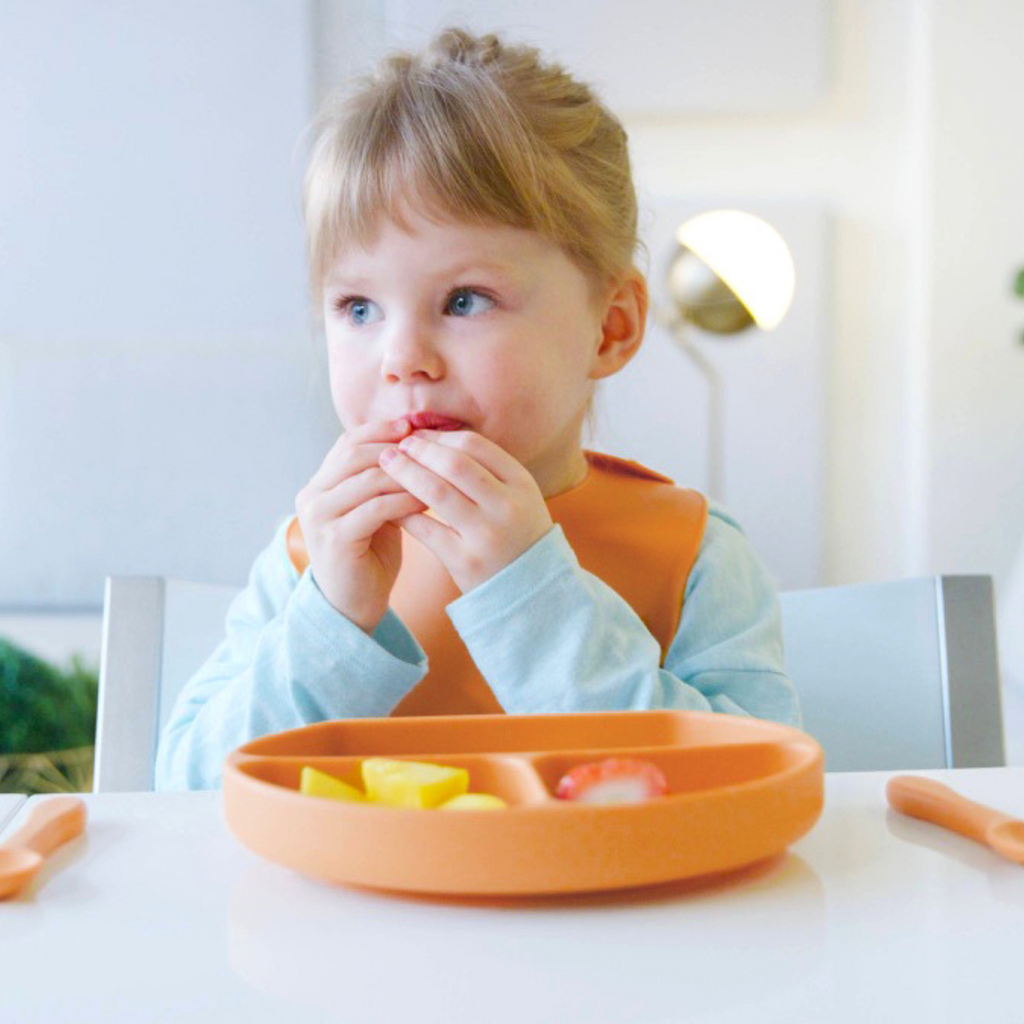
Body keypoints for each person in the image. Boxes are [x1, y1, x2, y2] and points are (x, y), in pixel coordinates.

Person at [155, 27, 800, 790]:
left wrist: (534, 598)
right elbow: (185, 797)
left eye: (464, 300)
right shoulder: (312, 556)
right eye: (359, 307)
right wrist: (329, 621)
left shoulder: (692, 555)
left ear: (612, 327)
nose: (402, 358)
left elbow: (751, 788)